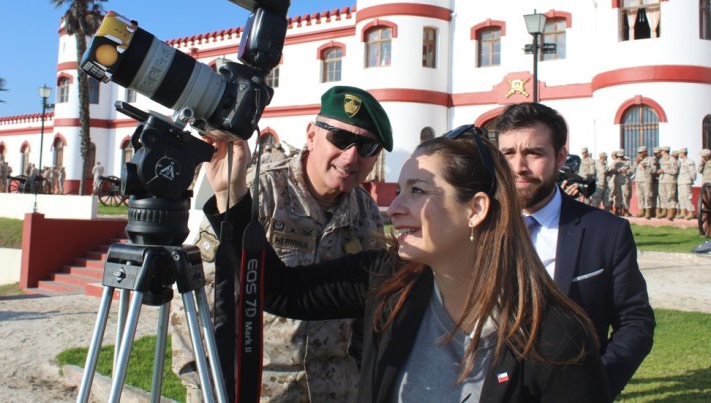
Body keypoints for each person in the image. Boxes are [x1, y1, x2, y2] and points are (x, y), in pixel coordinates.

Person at [203, 125, 609, 402]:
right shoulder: (387, 279)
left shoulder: (555, 337)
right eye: (398, 191)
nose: (394, 208)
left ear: (476, 209)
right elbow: (283, 291)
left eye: (417, 192)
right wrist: (233, 194)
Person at [171, 85, 394, 402]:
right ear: (313, 135)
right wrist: (200, 387)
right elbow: (201, 297)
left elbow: (368, 314)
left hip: (336, 392)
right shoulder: (255, 192)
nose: (351, 156)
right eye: (341, 139)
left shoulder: (368, 215)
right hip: (258, 390)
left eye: (367, 147)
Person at [495, 102, 655, 400]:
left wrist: (594, 384)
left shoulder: (606, 232)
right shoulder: (477, 228)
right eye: (508, 153)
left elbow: (635, 322)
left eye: (534, 153)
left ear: (560, 157)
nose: (519, 166)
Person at [633, 146, 656, 218]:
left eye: (641, 152)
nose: (639, 154)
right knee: (640, 195)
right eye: (639, 153)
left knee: (647, 195)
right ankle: (641, 211)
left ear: (645, 152)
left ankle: (648, 211)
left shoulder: (651, 159)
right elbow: (632, 169)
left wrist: (646, 167)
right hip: (638, 179)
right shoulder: (637, 159)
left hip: (646, 180)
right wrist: (636, 162)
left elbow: (654, 170)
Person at [656, 146, 678, 219]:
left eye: (661, 151)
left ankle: (671, 212)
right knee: (662, 196)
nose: (660, 152)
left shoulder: (672, 160)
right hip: (662, 180)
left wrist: (664, 171)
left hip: (670, 181)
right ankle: (664, 212)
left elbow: (675, 171)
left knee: (670, 196)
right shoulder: (661, 160)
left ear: (665, 151)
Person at [677, 148, 696, 219]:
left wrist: (691, 180)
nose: (679, 155)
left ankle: (690, 212)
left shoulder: (689, 161)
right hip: (681, 182)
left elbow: (693, 172)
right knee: (681, 197)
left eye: (680, 153)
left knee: (687, 197)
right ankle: (683, 212)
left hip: (686, 182)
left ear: (683, 153)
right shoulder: (682, 162)